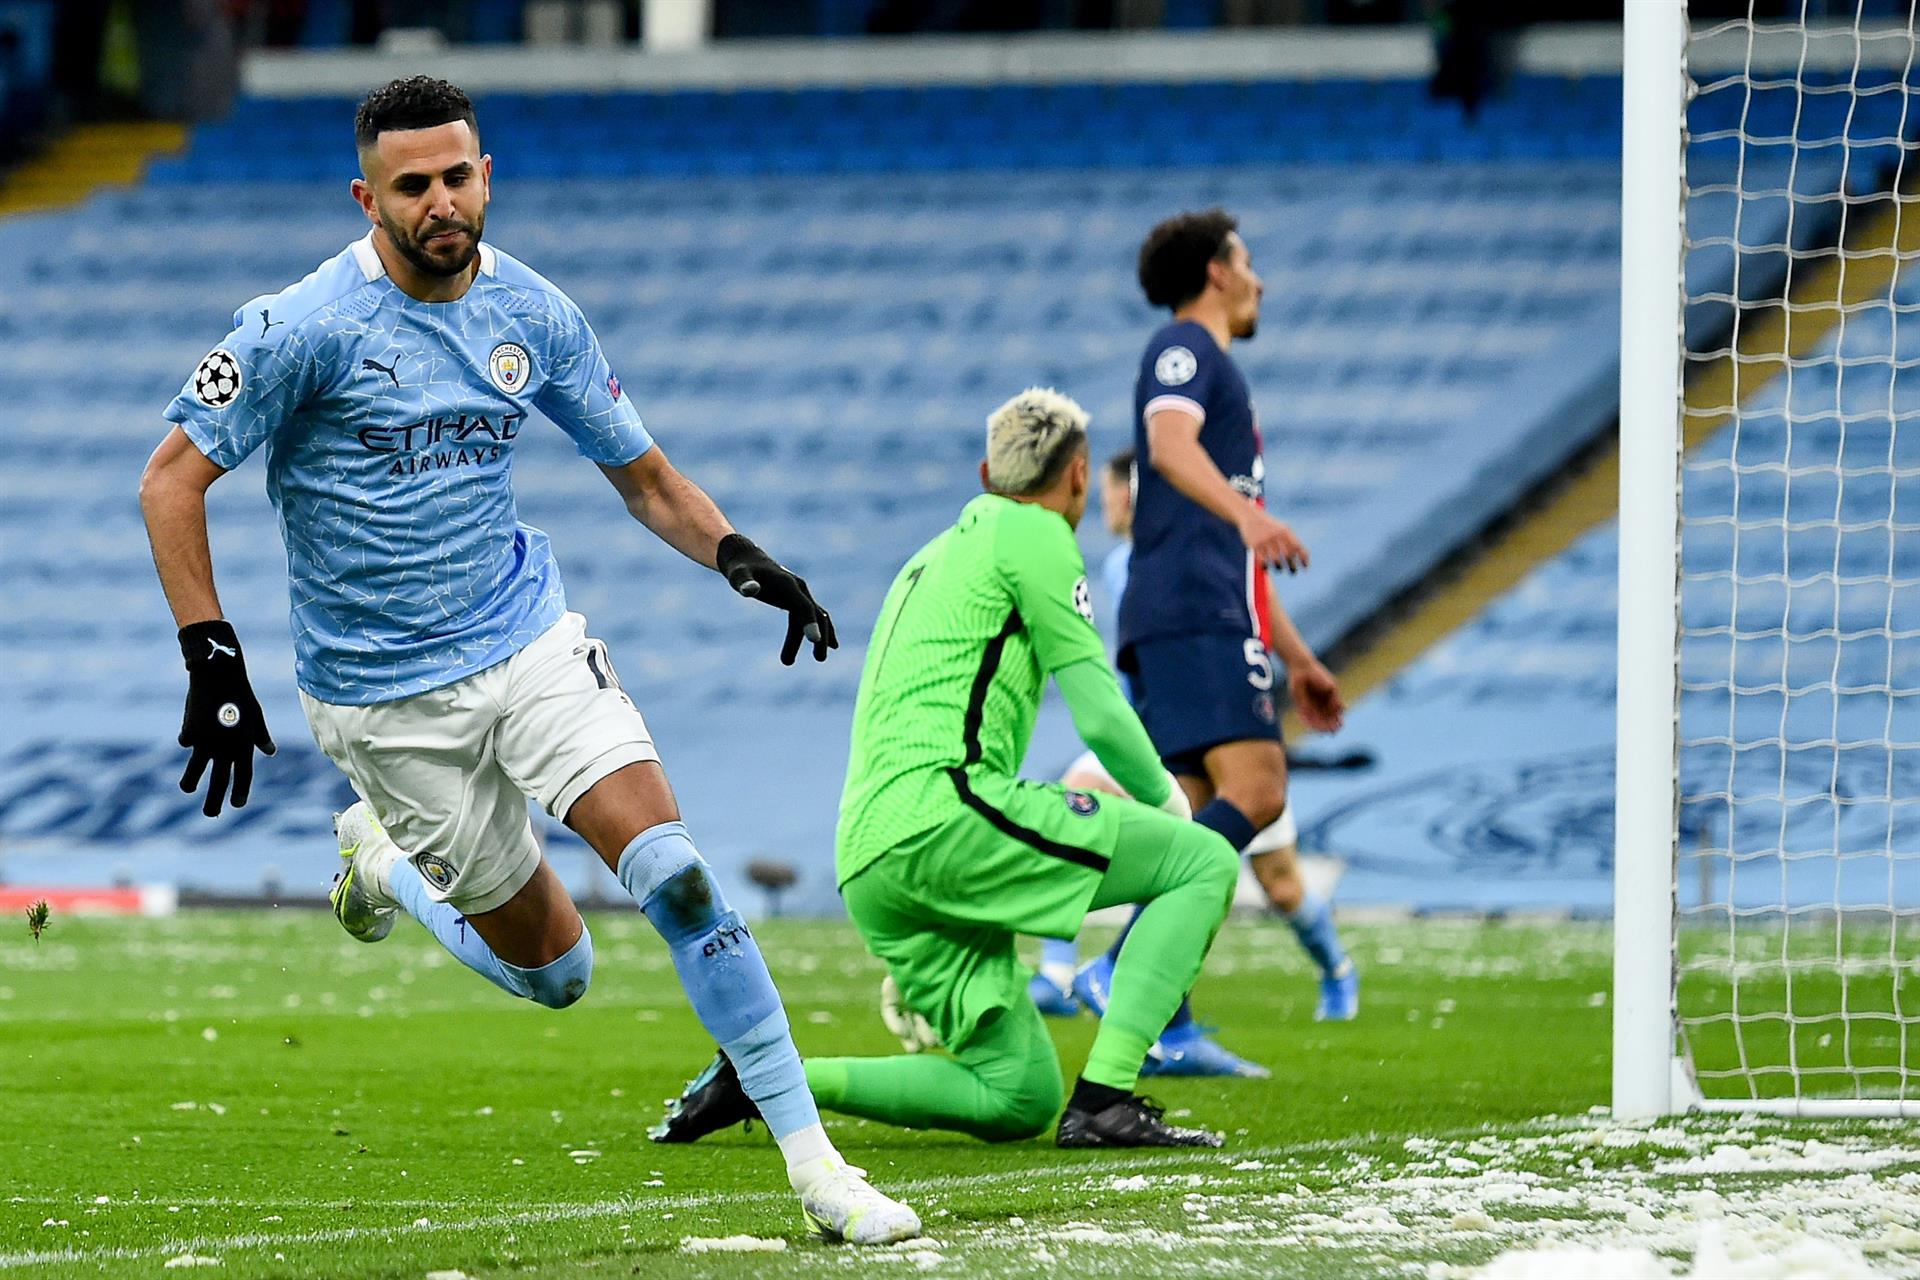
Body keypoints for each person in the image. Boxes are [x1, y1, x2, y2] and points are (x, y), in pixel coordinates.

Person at [136, 75, 918, 1246]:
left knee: (679, 873)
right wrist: (214, 657)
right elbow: (170, 479)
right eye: (413, 186)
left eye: (458, 176)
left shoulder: (534, 313)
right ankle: (388, 863)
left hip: (529, 640)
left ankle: (819, 1169)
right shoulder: (298, 327)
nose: (441, 201)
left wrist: (741, 554)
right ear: (368, 198)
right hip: (386, 700)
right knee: (559, 973)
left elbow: (645, 477)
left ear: (487, 175)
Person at [652, 389, 1240, 1149]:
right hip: (946, 815)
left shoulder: (927, 559)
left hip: (870, 853)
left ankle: (768, 1080)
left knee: (1017, 1095)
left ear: (984, 472)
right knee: (1203, 862)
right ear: (1078, 476)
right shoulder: (1036, 533)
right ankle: (1107, 1101)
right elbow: (1096, 706)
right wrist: (1169, 800)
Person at [1071, 209, 1359, 1078]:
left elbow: (1235, 551)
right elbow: (1166, 444)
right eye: (1248, 260)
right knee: (1260, 790)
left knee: (1192, 823)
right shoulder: (1183, 350)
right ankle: (1122, 969)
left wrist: (1298, 659)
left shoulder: (1213, 368)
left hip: (1204, 610)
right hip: (1194, 612)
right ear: (1216, 271)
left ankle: (1166, 1022)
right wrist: (1250, 512)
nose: (1260, 279)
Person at [1029, 451, 1348, 1044]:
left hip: (1218, 732)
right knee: (1085, 807)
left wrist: (1297, 662)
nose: (1107, 505)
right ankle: (1066, 974)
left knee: (1277, 883)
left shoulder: (1184, 555)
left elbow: (1252, 597)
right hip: (1153, 735)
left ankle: (1337, 971)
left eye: (1114, 492)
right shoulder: (1126, 563)